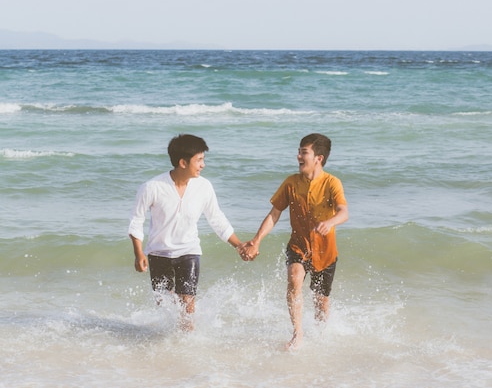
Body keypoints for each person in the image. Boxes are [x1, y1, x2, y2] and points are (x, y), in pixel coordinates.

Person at [128, 134, 251, 331]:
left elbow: (216, 219)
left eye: (203, 159)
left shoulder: (204, 187)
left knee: (187, 304)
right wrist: (138, 253)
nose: (203, 165)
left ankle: (187, 341)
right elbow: (136, 221)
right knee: (165, 306)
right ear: (183, 162)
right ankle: (170, 343)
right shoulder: (152, 187)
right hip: (159, 253)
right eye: (199, 160)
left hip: (189, 251)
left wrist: (239, 245)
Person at [242, 133, 348, 349]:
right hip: (298, 245)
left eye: (303, 152)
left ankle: (321, 337)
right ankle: (297, 333)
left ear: (318, 157)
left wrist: (330, 222)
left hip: (325, 252)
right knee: (294, 278)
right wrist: (257, 240)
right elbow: (274, 214)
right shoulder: (291, 182)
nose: (298, 155)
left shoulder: (331, 183)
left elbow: (344, 212)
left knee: (321, 302)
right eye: (299, 151)